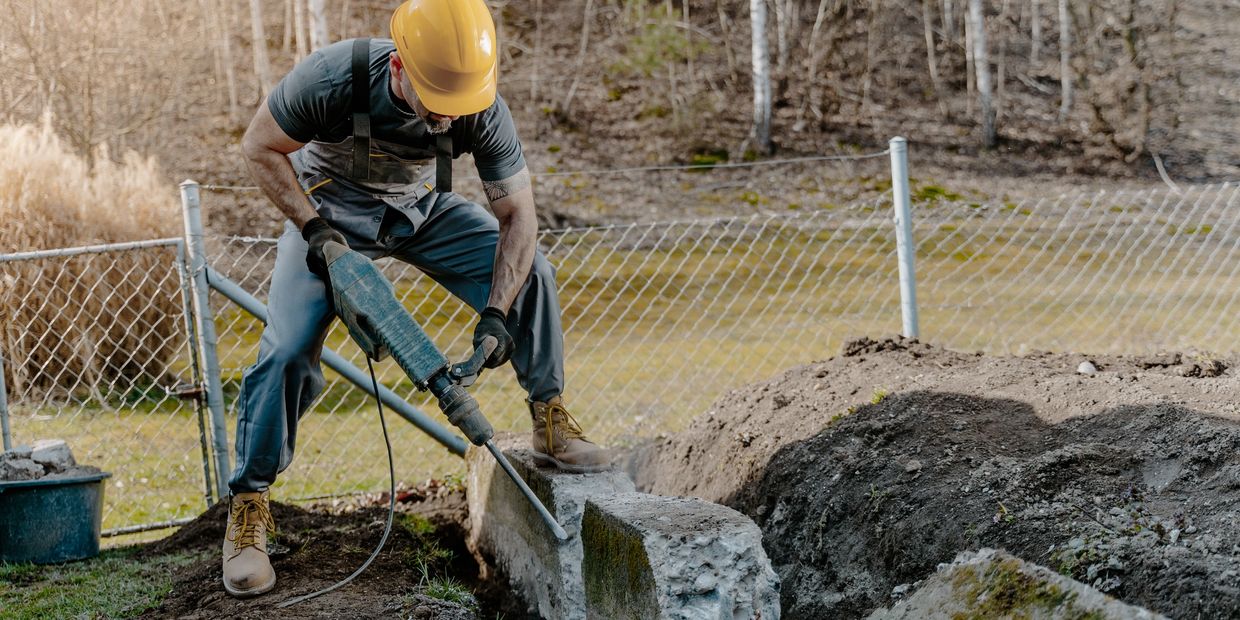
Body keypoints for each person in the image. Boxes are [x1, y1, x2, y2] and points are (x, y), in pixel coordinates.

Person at [220, 0, 610, 598]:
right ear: (400, 67)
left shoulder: (478, 104)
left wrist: (498, 313)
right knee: (288, 349)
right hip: (330, 211)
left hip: (423, 212)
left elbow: (518, 215)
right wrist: (317, 233)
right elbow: (257, 146)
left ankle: (550, 417)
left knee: (535, 274)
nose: (448, 118)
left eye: (460, 107)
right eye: (437, 104)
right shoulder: (331, 77)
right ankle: (249, 505)